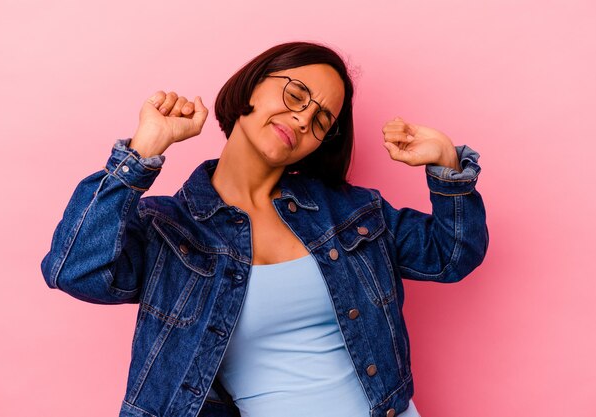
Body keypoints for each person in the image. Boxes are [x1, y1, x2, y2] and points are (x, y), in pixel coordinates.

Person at [41, 41, 488, 417]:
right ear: (253, 83)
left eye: (320, 120)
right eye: (296, 94)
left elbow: (449, 256)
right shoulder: (170, 229)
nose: (301, 119)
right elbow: (75, 270)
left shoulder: (351, 212)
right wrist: (142, 153)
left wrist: (446, 165)